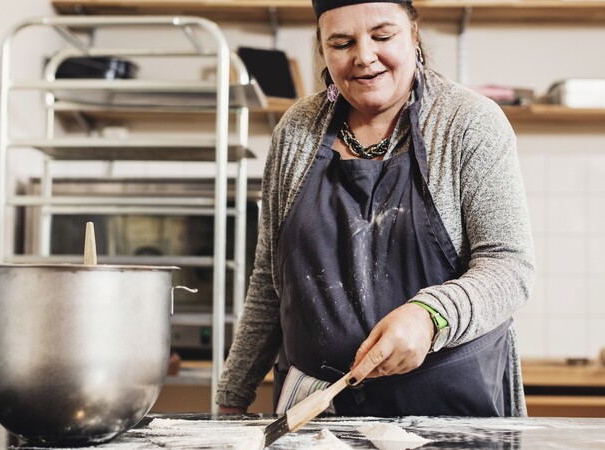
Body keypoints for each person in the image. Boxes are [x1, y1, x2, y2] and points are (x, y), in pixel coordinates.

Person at [217, 0, 535, 417]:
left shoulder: (469, 123)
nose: (364, 56)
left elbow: (509, 266)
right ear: (323, 50)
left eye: (382, 36)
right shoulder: (296, 131)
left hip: (446, 411)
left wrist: (430, 316)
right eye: (342, 42)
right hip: (316, 414)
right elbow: (269, 283)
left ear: (413, 34)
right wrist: (230, 399)